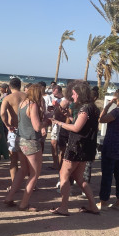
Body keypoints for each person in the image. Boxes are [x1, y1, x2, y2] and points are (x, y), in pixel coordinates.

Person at [50, 81, 100, 216]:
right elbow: (82, 125)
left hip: (76, 146)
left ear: (79, 94)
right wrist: (69, 117)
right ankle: (93, 206)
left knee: (64, 175)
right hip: (86, 147)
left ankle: (63, 207)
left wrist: (59, 122)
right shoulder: (93, 108)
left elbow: (77, 128)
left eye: (74, 94)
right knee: (79, 178)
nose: (72, 96)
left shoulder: (84, 108)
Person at [4, 83, 45, 211]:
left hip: (20, 139)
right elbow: (37, 127)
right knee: (34, 174)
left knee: (22, 170)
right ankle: (24, 204)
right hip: (30, 141)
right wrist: (47, 121)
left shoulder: (23, 103)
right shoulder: (33, 105)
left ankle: (9, 197)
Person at [0, 77, 26, 183]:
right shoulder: (27, 96)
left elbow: (2, 113)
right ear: (20, 86)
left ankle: (14, 184)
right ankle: (32, 185)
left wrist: (6, 124)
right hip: (26, 129)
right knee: (27, 159)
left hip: (13, 130)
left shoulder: (8, 98)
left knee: (14, 159)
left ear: (9, 87)